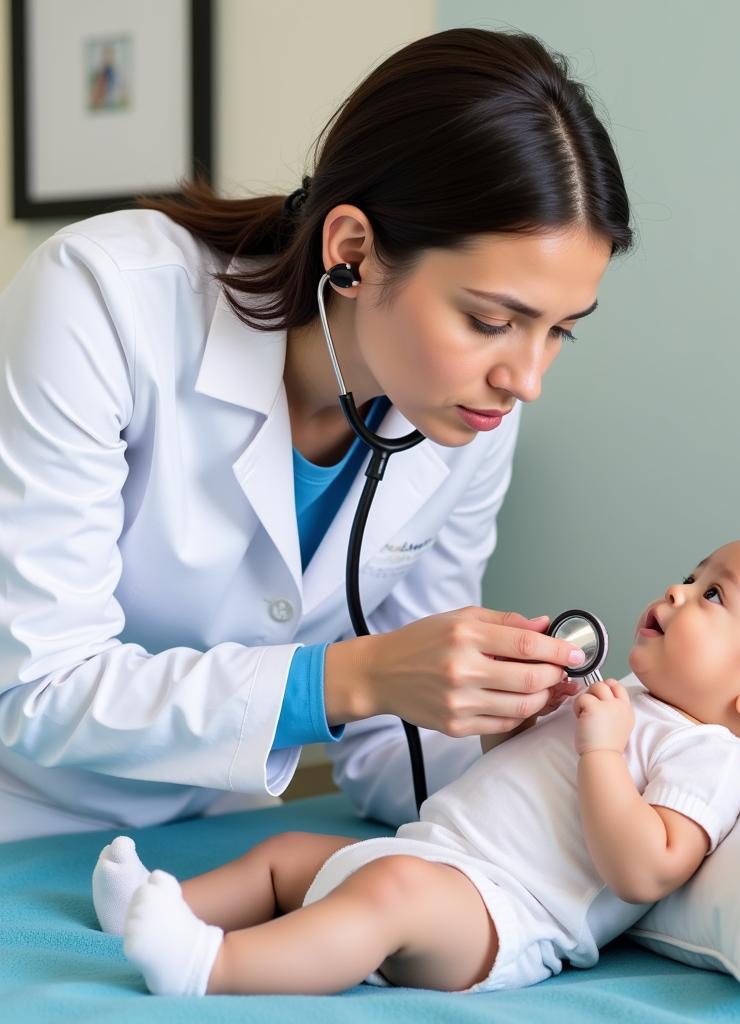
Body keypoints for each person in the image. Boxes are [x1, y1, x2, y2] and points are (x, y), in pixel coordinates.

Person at [0, 29, 633, 841]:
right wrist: (353, 677)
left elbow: (392, 750)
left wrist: (511, 735)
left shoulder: (471, 413)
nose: (526, 378)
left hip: (214, 827)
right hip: (22, 817)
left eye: (560, 332)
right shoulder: (101, 302)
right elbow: (37, 686)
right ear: (354, 251)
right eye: (491, 320)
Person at [92, 535, 740, 996]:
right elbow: (515, 781)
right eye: (690, 574)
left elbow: (643, 867)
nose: (678, 592)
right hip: (435, 853)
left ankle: (214, 968)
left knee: (387, 898)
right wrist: (523, 724)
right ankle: (164, 906)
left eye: (714, 596)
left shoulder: (706, 757)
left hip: (502, 918)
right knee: (287, 857)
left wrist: (601, 751)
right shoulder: (625, 696)